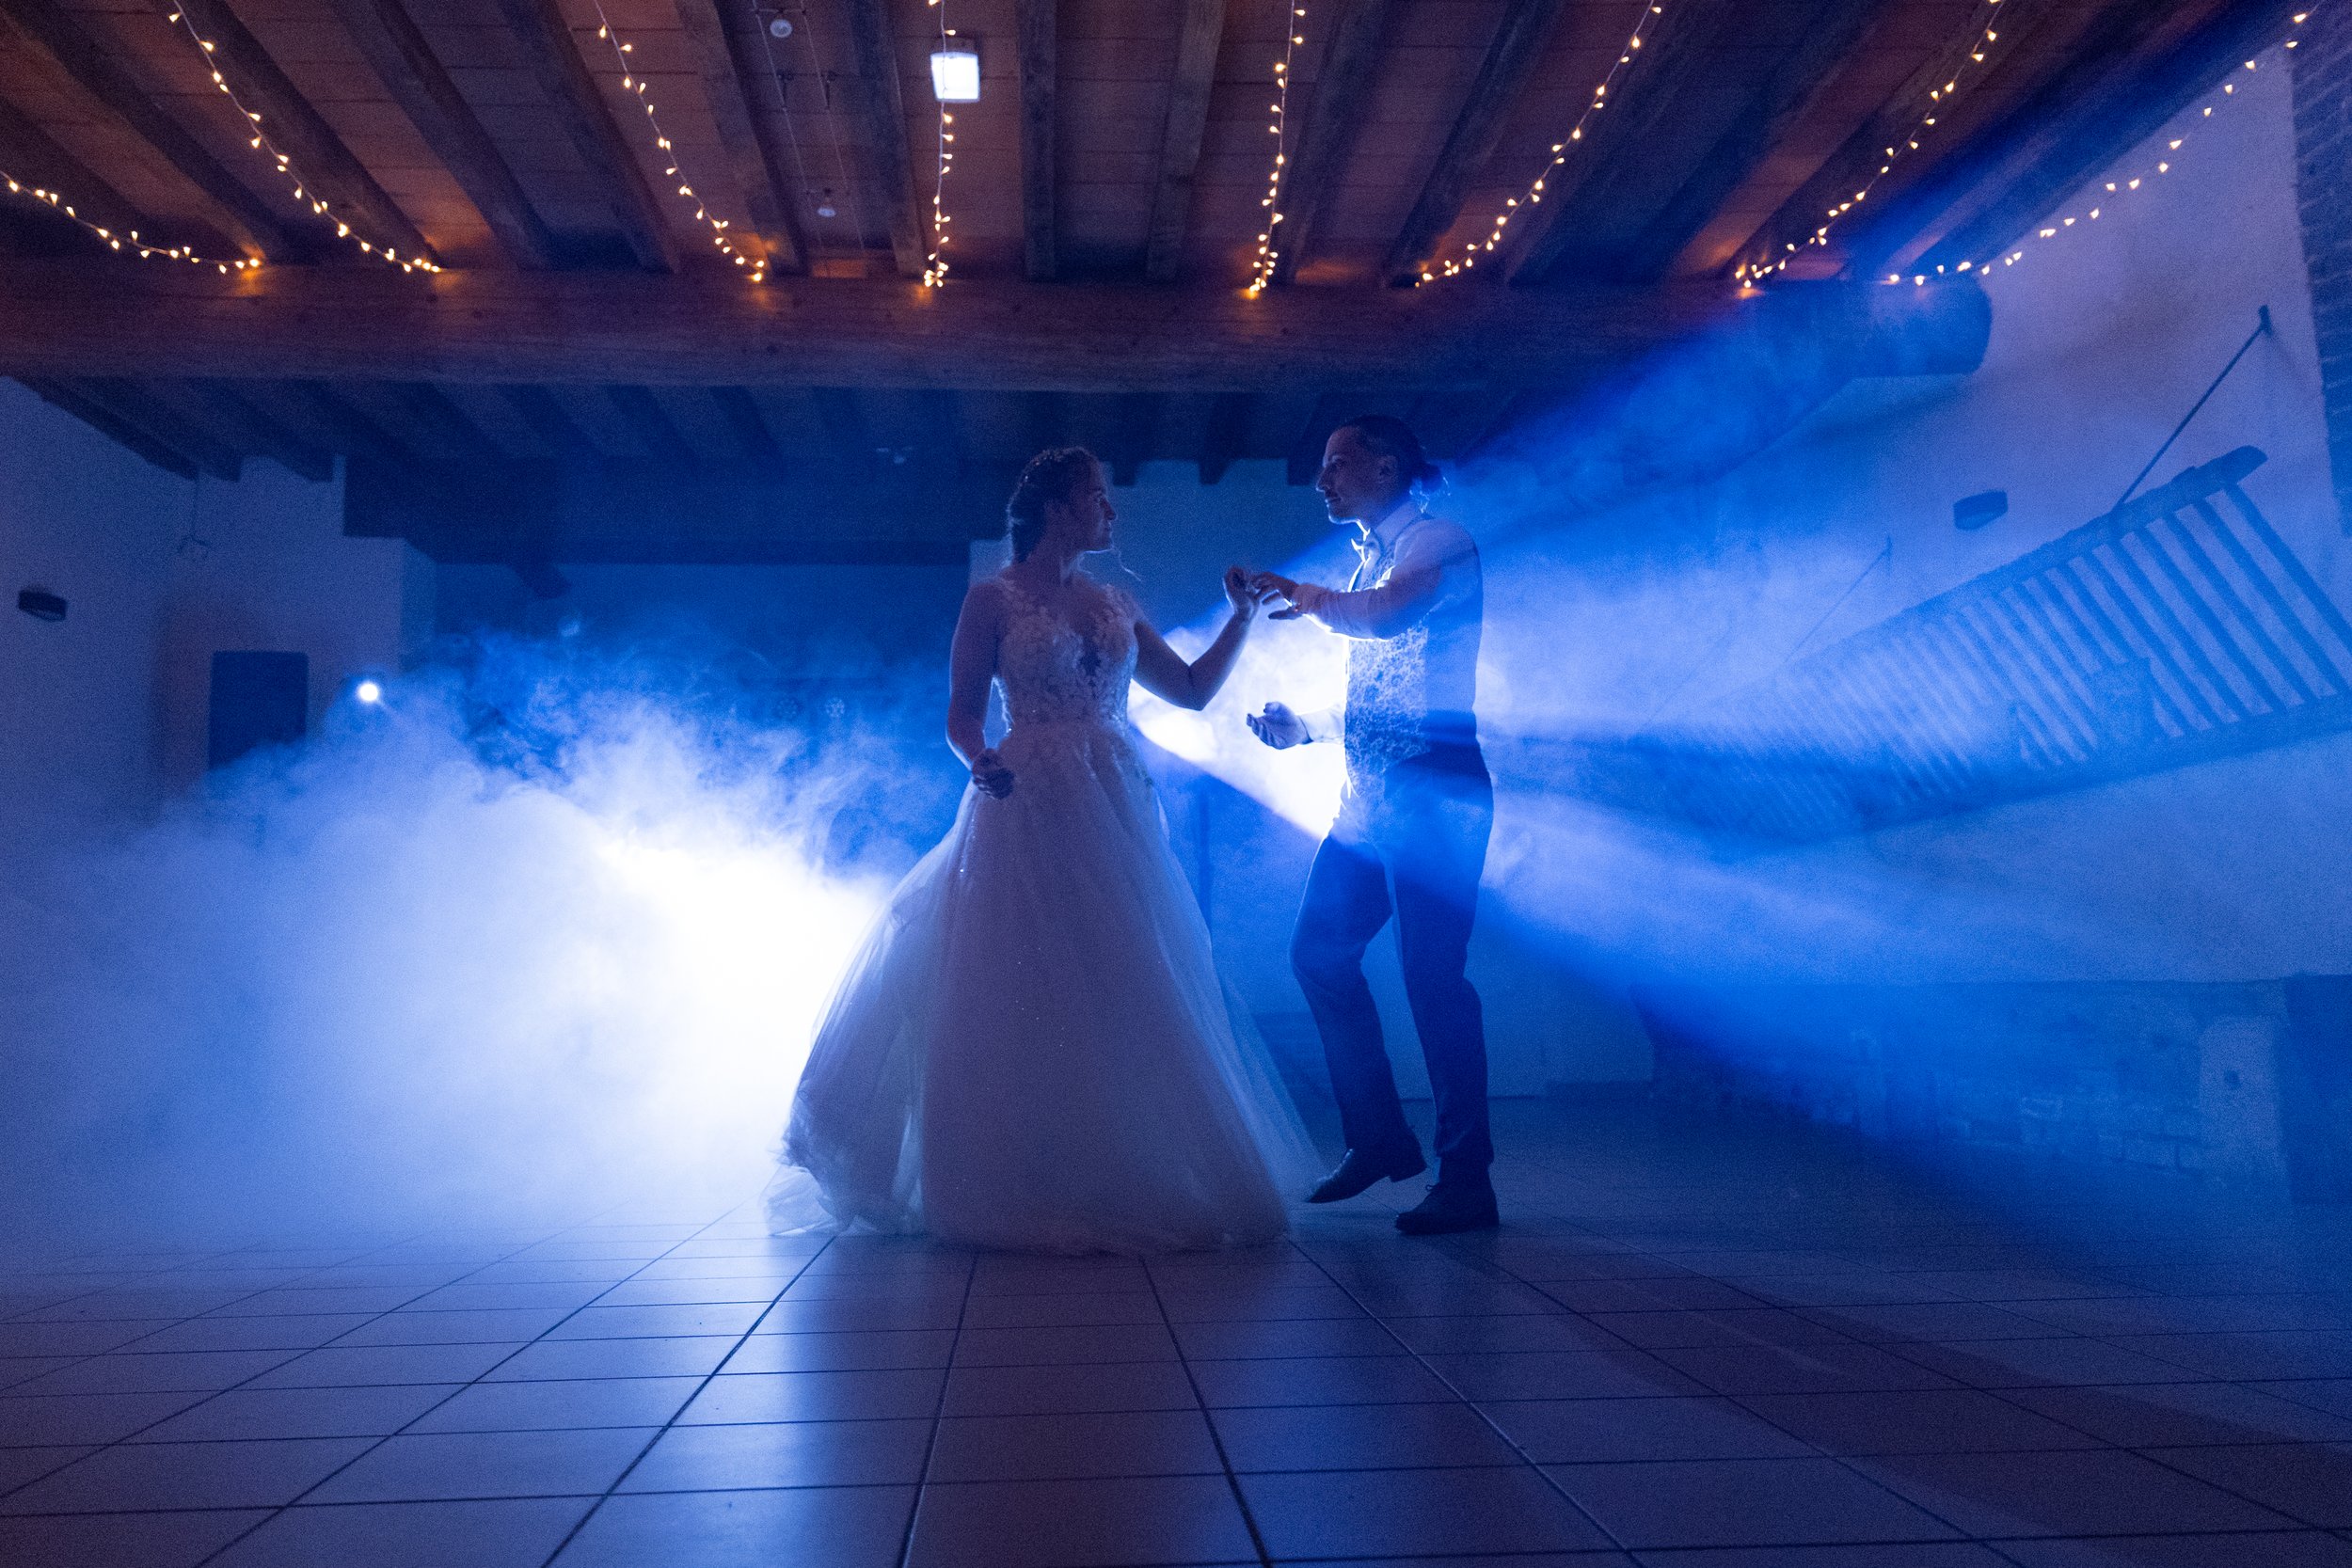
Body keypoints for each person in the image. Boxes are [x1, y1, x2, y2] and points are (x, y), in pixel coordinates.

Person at [776, 448, 1317, 1253]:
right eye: (1099, 496)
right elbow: (961, 714)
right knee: (1019, 975)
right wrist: (980, 758)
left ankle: (1126, 1167)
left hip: (1115, 801)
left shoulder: (1114, 601)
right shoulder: (990, 601)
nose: (1111, 511)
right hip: (1024, 796)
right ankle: (1018, 1170)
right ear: (1060, 508)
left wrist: (1239, 617)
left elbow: (1195, 691)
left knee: (1126, 972)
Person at [1248, 415, 1497, 1235]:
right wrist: (1309, 726)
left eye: (1336, 464)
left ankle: (1467, 1179)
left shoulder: (1438, 541)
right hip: (1369, 800)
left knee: (1432, 977)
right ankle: (1379, 1138)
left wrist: (1311, 599)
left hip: (1436, 792)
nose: (1321, 479)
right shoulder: (1369, 559)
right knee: (1318, 953)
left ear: (1387, 466)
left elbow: (1388, 619)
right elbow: (1385, 680)